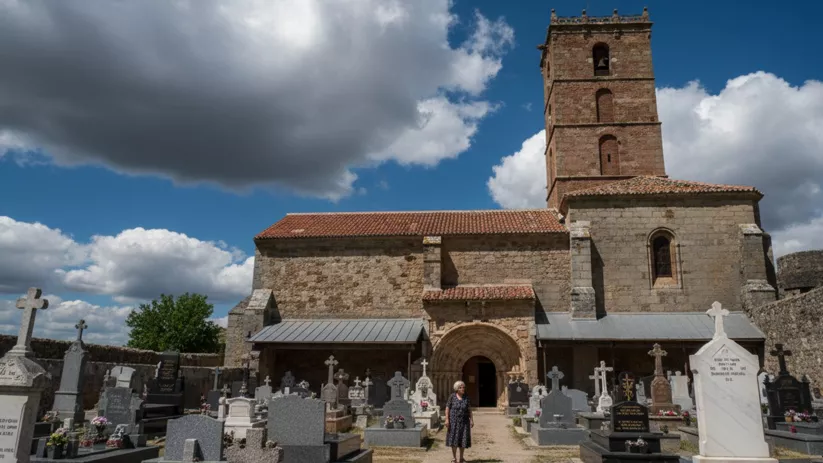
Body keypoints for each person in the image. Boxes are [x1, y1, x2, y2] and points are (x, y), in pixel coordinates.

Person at [445, 380, 473, 463]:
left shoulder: (466, 397)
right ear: (457, 388)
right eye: (461, 387)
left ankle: (461, 458)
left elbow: (469, 409)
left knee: (463, 439)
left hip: (464, 421)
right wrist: (447, 419)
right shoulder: (452, 396)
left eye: (463, 387)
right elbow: (447, 408)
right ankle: (454, 458)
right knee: (454, 439)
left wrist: (471, 419)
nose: (463, 389)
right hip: (454, 421)